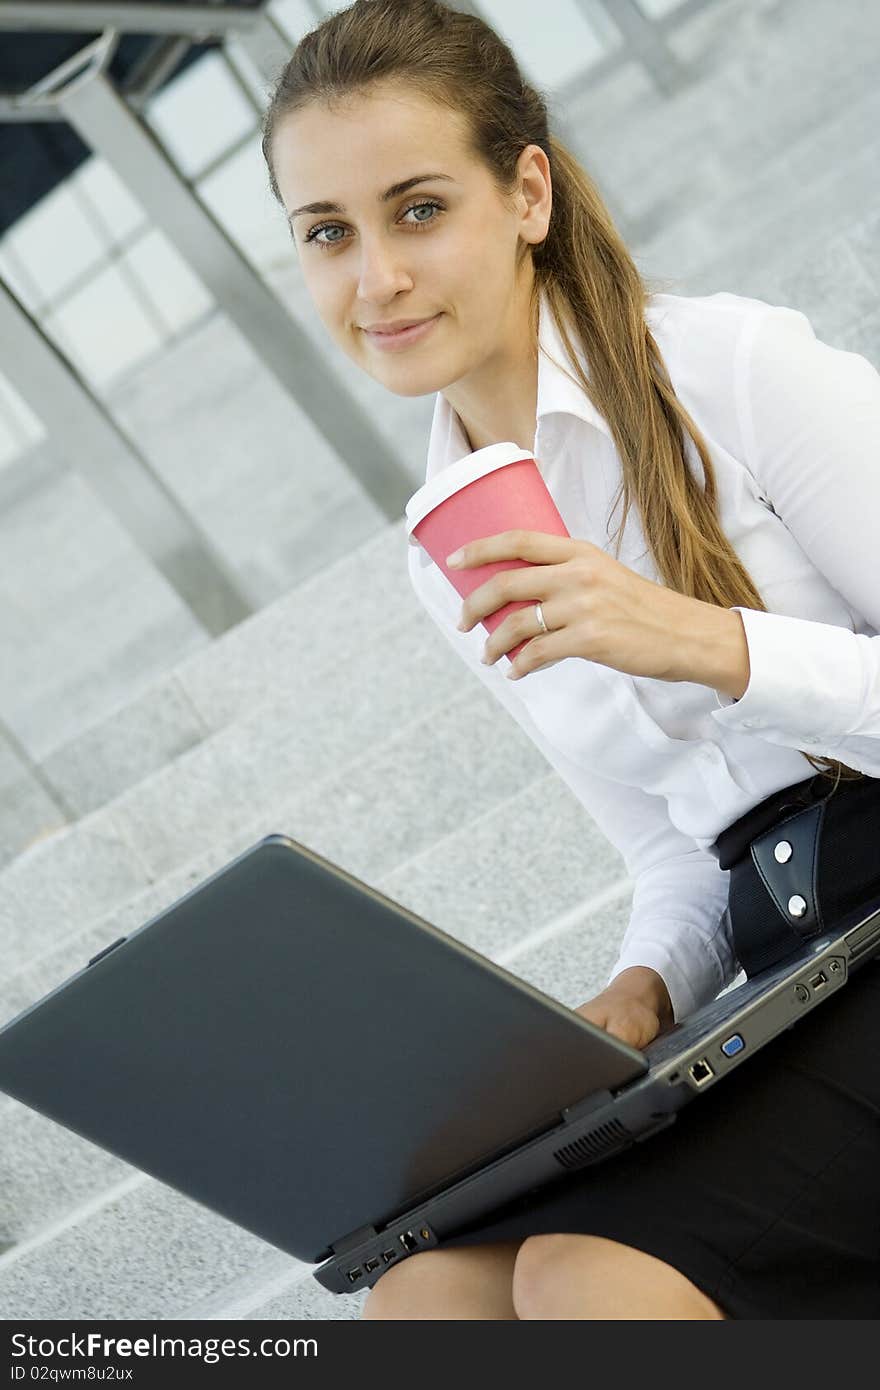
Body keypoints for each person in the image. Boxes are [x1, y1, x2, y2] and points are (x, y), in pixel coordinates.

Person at [260, 0, 880, 1319]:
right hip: (786, 958)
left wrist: (704, 643)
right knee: (424, 1295)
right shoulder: (445, 553)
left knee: (587, 1277)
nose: (375, 279)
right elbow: (677, 846)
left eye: (418, 208)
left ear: (526, 191)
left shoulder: (737, 371)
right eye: (328, 233)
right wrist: (640, 990)